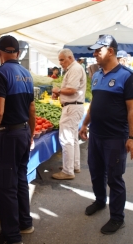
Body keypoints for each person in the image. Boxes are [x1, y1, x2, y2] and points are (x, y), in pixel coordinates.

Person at [79, 34, 133, 235]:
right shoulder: (96, 75)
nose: (95, 54)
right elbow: (94, 105)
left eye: (99, 50)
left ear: (110, 51)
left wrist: (132, 138)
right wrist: (84, 124)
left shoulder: (126, 76)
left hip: (115, 137)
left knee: (114, 178)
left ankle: (117, 218)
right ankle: (99, 201)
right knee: (96, 172)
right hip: (96, 134)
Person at [0, 35, 35, 244]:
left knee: (5, 186)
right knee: (20, 179)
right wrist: (31, 134)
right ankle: (25, 223)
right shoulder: (26, 74)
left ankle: (11, 236)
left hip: (9, 135)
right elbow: (32, 108)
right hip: (23, 132)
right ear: (17, 53)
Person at [51, 48, 86, 180]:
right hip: (74, 107)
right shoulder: (74, 69)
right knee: (73, 139)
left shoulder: (75, 69)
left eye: (62, 59)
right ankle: (74, 165)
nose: (60, 63)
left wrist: (58, 90)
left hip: (72, 108)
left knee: (66, 139)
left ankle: (67, 171)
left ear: (70, 58)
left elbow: (72, 89)